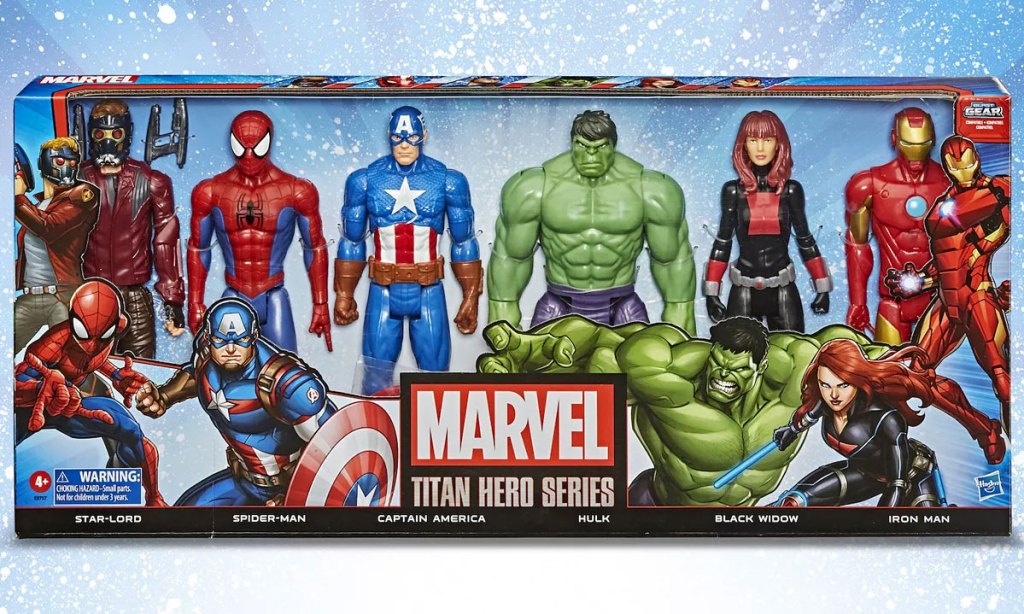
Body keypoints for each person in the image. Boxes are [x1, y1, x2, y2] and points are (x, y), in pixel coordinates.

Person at [488, 110, 695, 332]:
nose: (591, 156)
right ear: (572, 143)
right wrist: (502, 318)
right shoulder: (534, 187)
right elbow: (512, 257)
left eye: (600, 147)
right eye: (582, 146)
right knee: (540, 356)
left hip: (622, 305)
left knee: (639, 354)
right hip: (559, 303)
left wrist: (681, 325)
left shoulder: (652, 189)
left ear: (613, 145)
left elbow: (671, 260)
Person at [334, 106, 482, 395]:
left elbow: (464, 241)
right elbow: (352, 240)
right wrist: (344, 293)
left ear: (423, 135)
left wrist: (471, 296)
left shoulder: (447, 180)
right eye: (397, 138)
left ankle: (432, 425)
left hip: (428, 288)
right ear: (388, 137)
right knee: (375, 377)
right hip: (383, 288)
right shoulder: (365, 180)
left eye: (411, 137)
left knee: (435, 379)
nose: (404, 145)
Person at [136, 298, 336, 506]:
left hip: (287, 492)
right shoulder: (206, 353)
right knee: (184, 514)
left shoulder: (287, 383)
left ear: (253, 336)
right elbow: (196, 374)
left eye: (241, 340)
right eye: (221, 340)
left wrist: (295, 497)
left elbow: (331, 449)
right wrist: (164, 396)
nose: (230, 349)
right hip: (243, 481)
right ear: (209, 337)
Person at [771, 339, 983, 507]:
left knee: (924, 529)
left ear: (855, 380)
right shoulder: (825, 403)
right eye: (825, 385)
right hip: (864, 474)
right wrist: (791, 429)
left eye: (843, 385)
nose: (833, 395)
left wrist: (880, 522)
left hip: (910, 477)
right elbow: (805, 419)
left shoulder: (885, 419)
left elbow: (897, 485)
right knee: (793, 502)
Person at [188, 110, 332, 352]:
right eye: (241, 147)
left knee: (286, 368)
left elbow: (315, 246)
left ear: (268, 141)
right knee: (226, 369)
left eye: (257, 147)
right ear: (232, 142)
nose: (249, 156)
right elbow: (198, 248)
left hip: (273, 293)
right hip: (234, 294)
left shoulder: (296, 190)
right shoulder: (210, 191)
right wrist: (194, 303)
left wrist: (321, 303)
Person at [704, 110, 831, 332]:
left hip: (782, 289)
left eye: (768, 140)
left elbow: (805, 239)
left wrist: (822, 288)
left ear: (779, 144)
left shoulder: (791, 191)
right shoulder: (733, 191)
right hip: (743, 289)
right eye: (753, 140)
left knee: (792, 349)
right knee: (735, 352)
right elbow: (723, 242)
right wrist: (711, 294)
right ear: (743, 145)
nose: (760, 148)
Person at [80, 99, 186, 357]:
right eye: (100, 134)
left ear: (126, 134)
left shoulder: (152, 181)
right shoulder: (77, 180)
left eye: (115, 134)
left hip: (134, 298)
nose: (107, 141)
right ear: (91, 135)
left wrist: (173, 300)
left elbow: (166, 239)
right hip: (90, 294)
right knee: (87, 373)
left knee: (140, 371)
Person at [14, 137, 99, 354]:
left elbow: (49, 228)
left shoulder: (82, 196)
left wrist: (18, 197)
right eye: (60, 161)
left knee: (69, 360)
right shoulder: (37, 206)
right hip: (30, 297)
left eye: (72, 162)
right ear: (44, 163)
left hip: (61, 297)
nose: (67, 167)